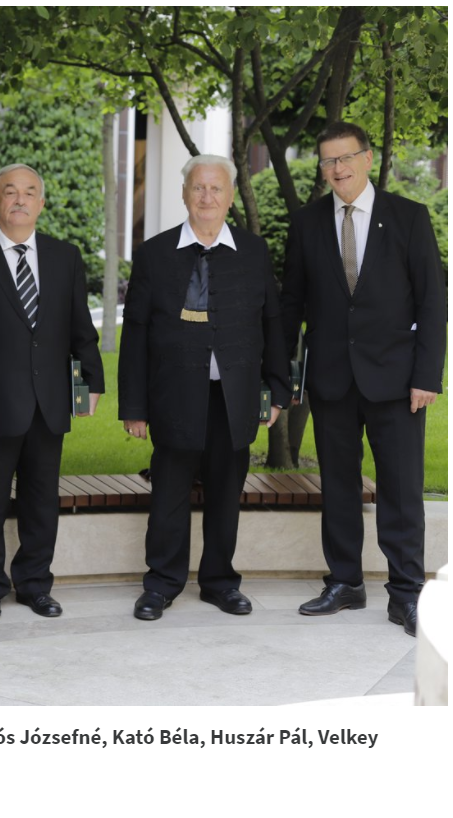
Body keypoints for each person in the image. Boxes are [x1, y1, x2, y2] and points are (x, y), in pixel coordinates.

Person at [280, 122, 445, 636]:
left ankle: (407, 593)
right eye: (328, 161)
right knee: (338, 487)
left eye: (346, 158)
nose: (337, 169)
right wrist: (283, 375)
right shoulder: (306, 223)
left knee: (401, 490)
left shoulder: (409, 217)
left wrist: (427, 376)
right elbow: (291, 306)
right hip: (331, 380)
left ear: (368, 158)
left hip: (398, 382)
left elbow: (433, 302)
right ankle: (345, 583)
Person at [120, 154, 290, 621]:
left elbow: (272, 323)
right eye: (198, 187)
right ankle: (161, 584)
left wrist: (278, 389)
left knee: (225, 496)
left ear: (230, 196)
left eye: (216, 188)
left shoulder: (253, 252)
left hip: (233, 397)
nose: (207, 197)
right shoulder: (154, 254)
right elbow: (135, 333)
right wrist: (134, 406)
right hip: (173, 395)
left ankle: (220, 582)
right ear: (184, 194)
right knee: (168, 496)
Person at [0, 164, 104, 621]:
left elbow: (81, 328)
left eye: (29, 192)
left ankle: (35, 585)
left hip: (49, 400)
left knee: (41, 500)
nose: (19, 200)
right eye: (10, 192)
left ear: (41, 203)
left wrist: (91, 382)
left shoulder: (65, 256)